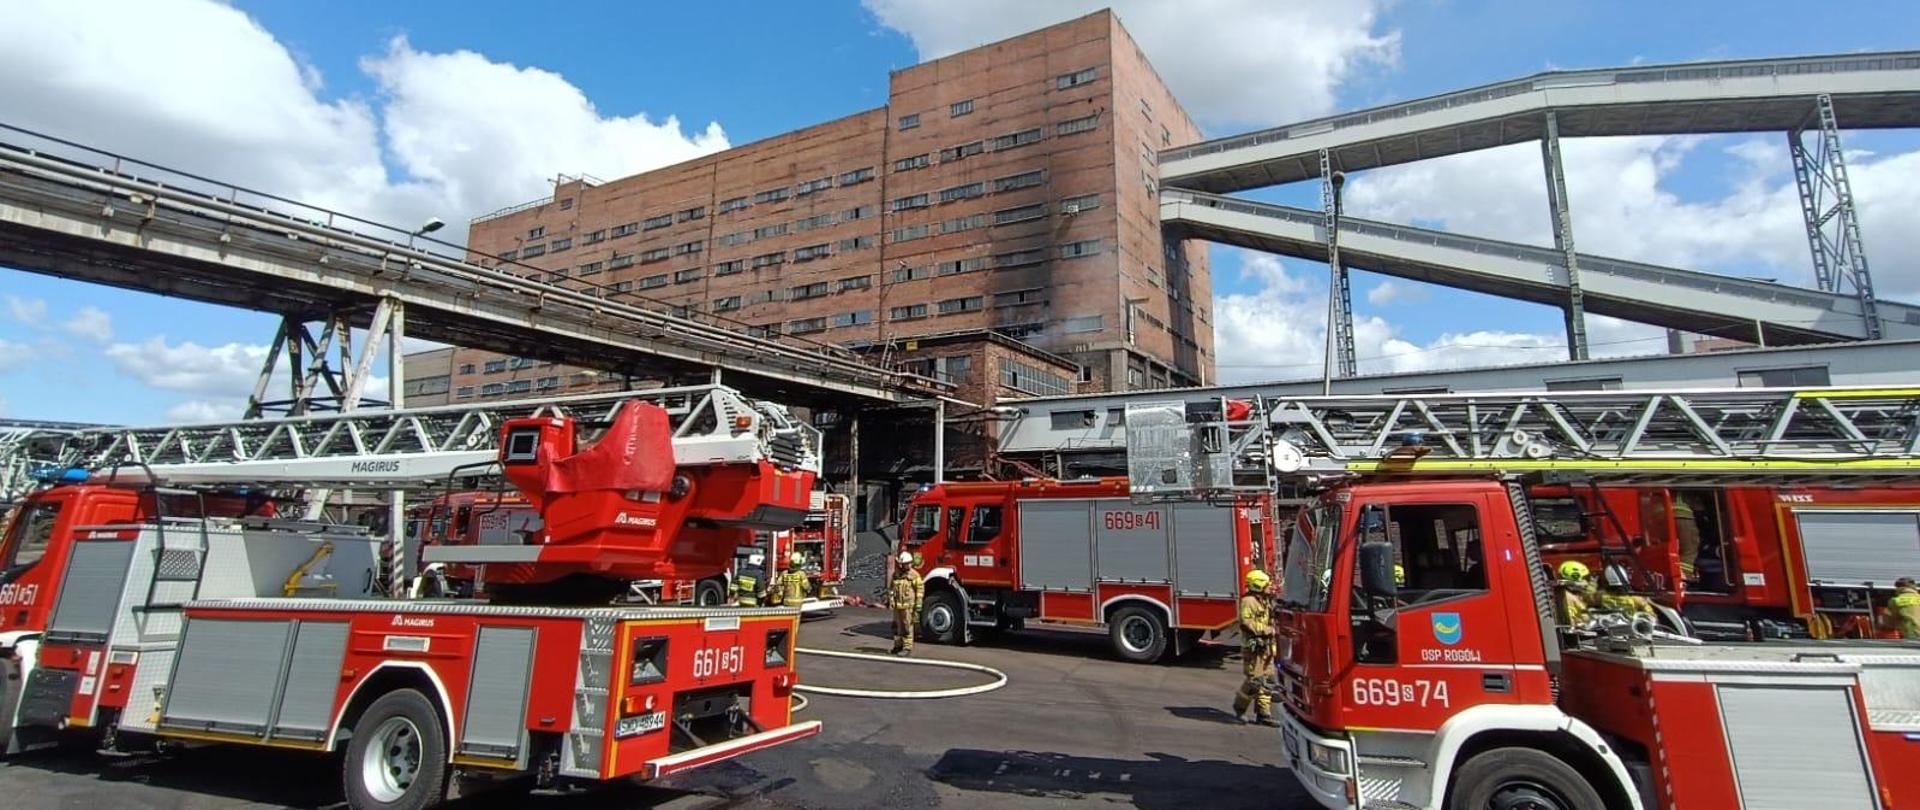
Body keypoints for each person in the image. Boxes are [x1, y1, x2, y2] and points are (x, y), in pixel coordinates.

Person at [1232, 570, 1278, 726]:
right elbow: (1246, 623)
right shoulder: (1249, 602)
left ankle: (1263, 714)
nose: (1269, 587)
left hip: (1267, 648)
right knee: (1254, 681)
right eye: (1266, 585)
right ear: (1258, 585)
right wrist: (1267, 630)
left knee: (1268, 681)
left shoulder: (1265, 600)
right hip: (1254, 649)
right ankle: (1239, 709)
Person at [888, 551, 924, 655]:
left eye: (909, 563)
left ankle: (907, 648)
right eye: (905, 563)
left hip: (908, 607)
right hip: (897, 606)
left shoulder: (914, 575)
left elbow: (920, 589)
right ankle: (898, 646)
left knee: (907, 627)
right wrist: (891, 599)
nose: (907, 565)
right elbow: (891, 589)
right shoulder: (896, 575)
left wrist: (919, 603)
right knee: (897, 627)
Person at [1673, 494, 1703, 583]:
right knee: (1689, 549)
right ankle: (1685, 576)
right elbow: (1699, 507)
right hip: (1684, 517)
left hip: (1662, 517)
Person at [1556, 560, 1593, 626]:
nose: (1587, 583)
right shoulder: (1567, 599)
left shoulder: (1571, 595)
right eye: (1584, 578)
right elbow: (1571, 624)